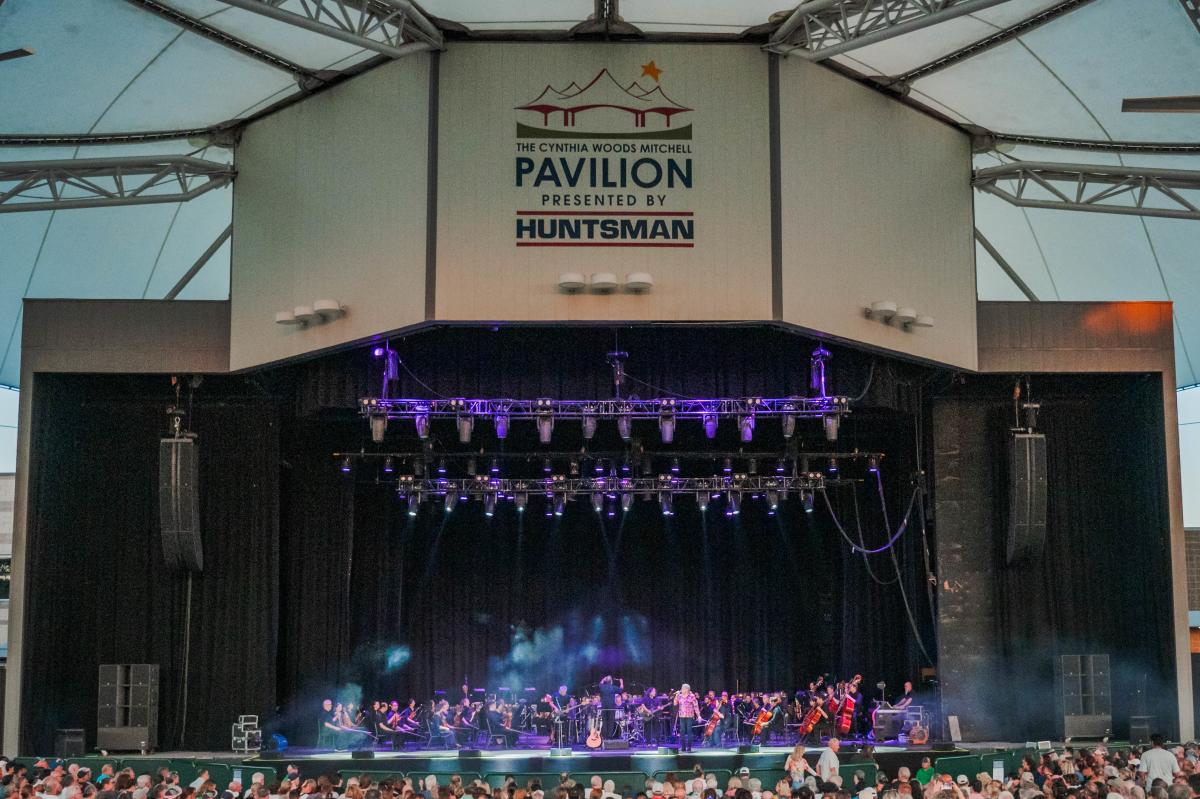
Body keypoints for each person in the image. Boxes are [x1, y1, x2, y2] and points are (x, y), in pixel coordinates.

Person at [674, 684, 701, 753]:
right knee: (682, 731)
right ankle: (683, 747)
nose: (681, 689)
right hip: (682, 716)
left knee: (689, 731)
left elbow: (696, 706)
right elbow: (675, 703)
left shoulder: (692, 696)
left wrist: (698, 716)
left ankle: (689, 747)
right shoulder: (679, 696)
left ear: (686, 689)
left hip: (689, 716)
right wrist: (676, 695)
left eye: (682, 688)